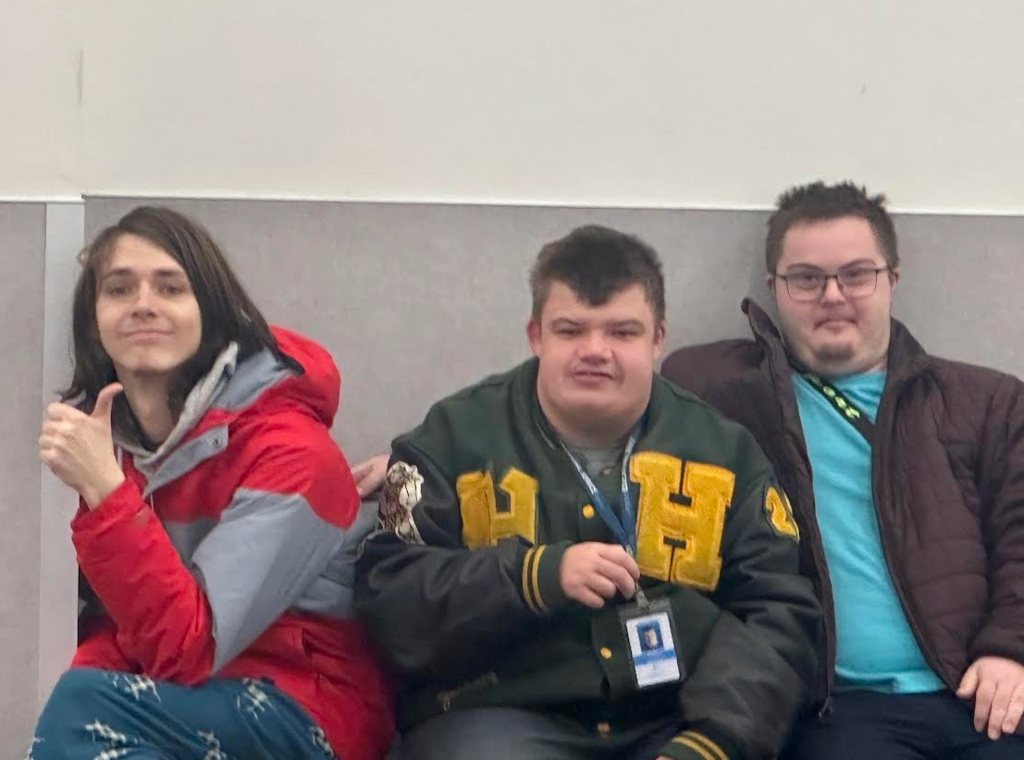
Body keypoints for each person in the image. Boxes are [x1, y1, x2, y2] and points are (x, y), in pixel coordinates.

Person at [355, 224, 820, 760]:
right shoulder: (450, 437)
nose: (595, 351)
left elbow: (778, 613)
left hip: (676, 721)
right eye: (571, 330)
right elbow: (388, 593)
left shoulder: (725, 451)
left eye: (622, 332)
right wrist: (534, 576)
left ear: (658, 339)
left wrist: (714, 742)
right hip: (499, 720)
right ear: (536, 336)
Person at [662, 181, 1024, 759]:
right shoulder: (726, 396)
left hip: (981, 693)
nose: (833, 295)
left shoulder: (986, 403)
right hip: (844, 711)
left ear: (892, 280)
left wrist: (1011, 649)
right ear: (772, 289)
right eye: (806, 278)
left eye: (857, 274)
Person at [29, 206, 394, 760]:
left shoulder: (293, 453)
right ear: (93, 322)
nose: (144, 304)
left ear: (213, 312)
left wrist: (107, 494)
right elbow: (119, 623)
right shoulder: (112, 444)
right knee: (80, 705)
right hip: (176, 696)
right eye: (120, 289)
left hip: (305, 704)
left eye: (171, 288)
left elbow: (190, 648)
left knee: (84, 713)